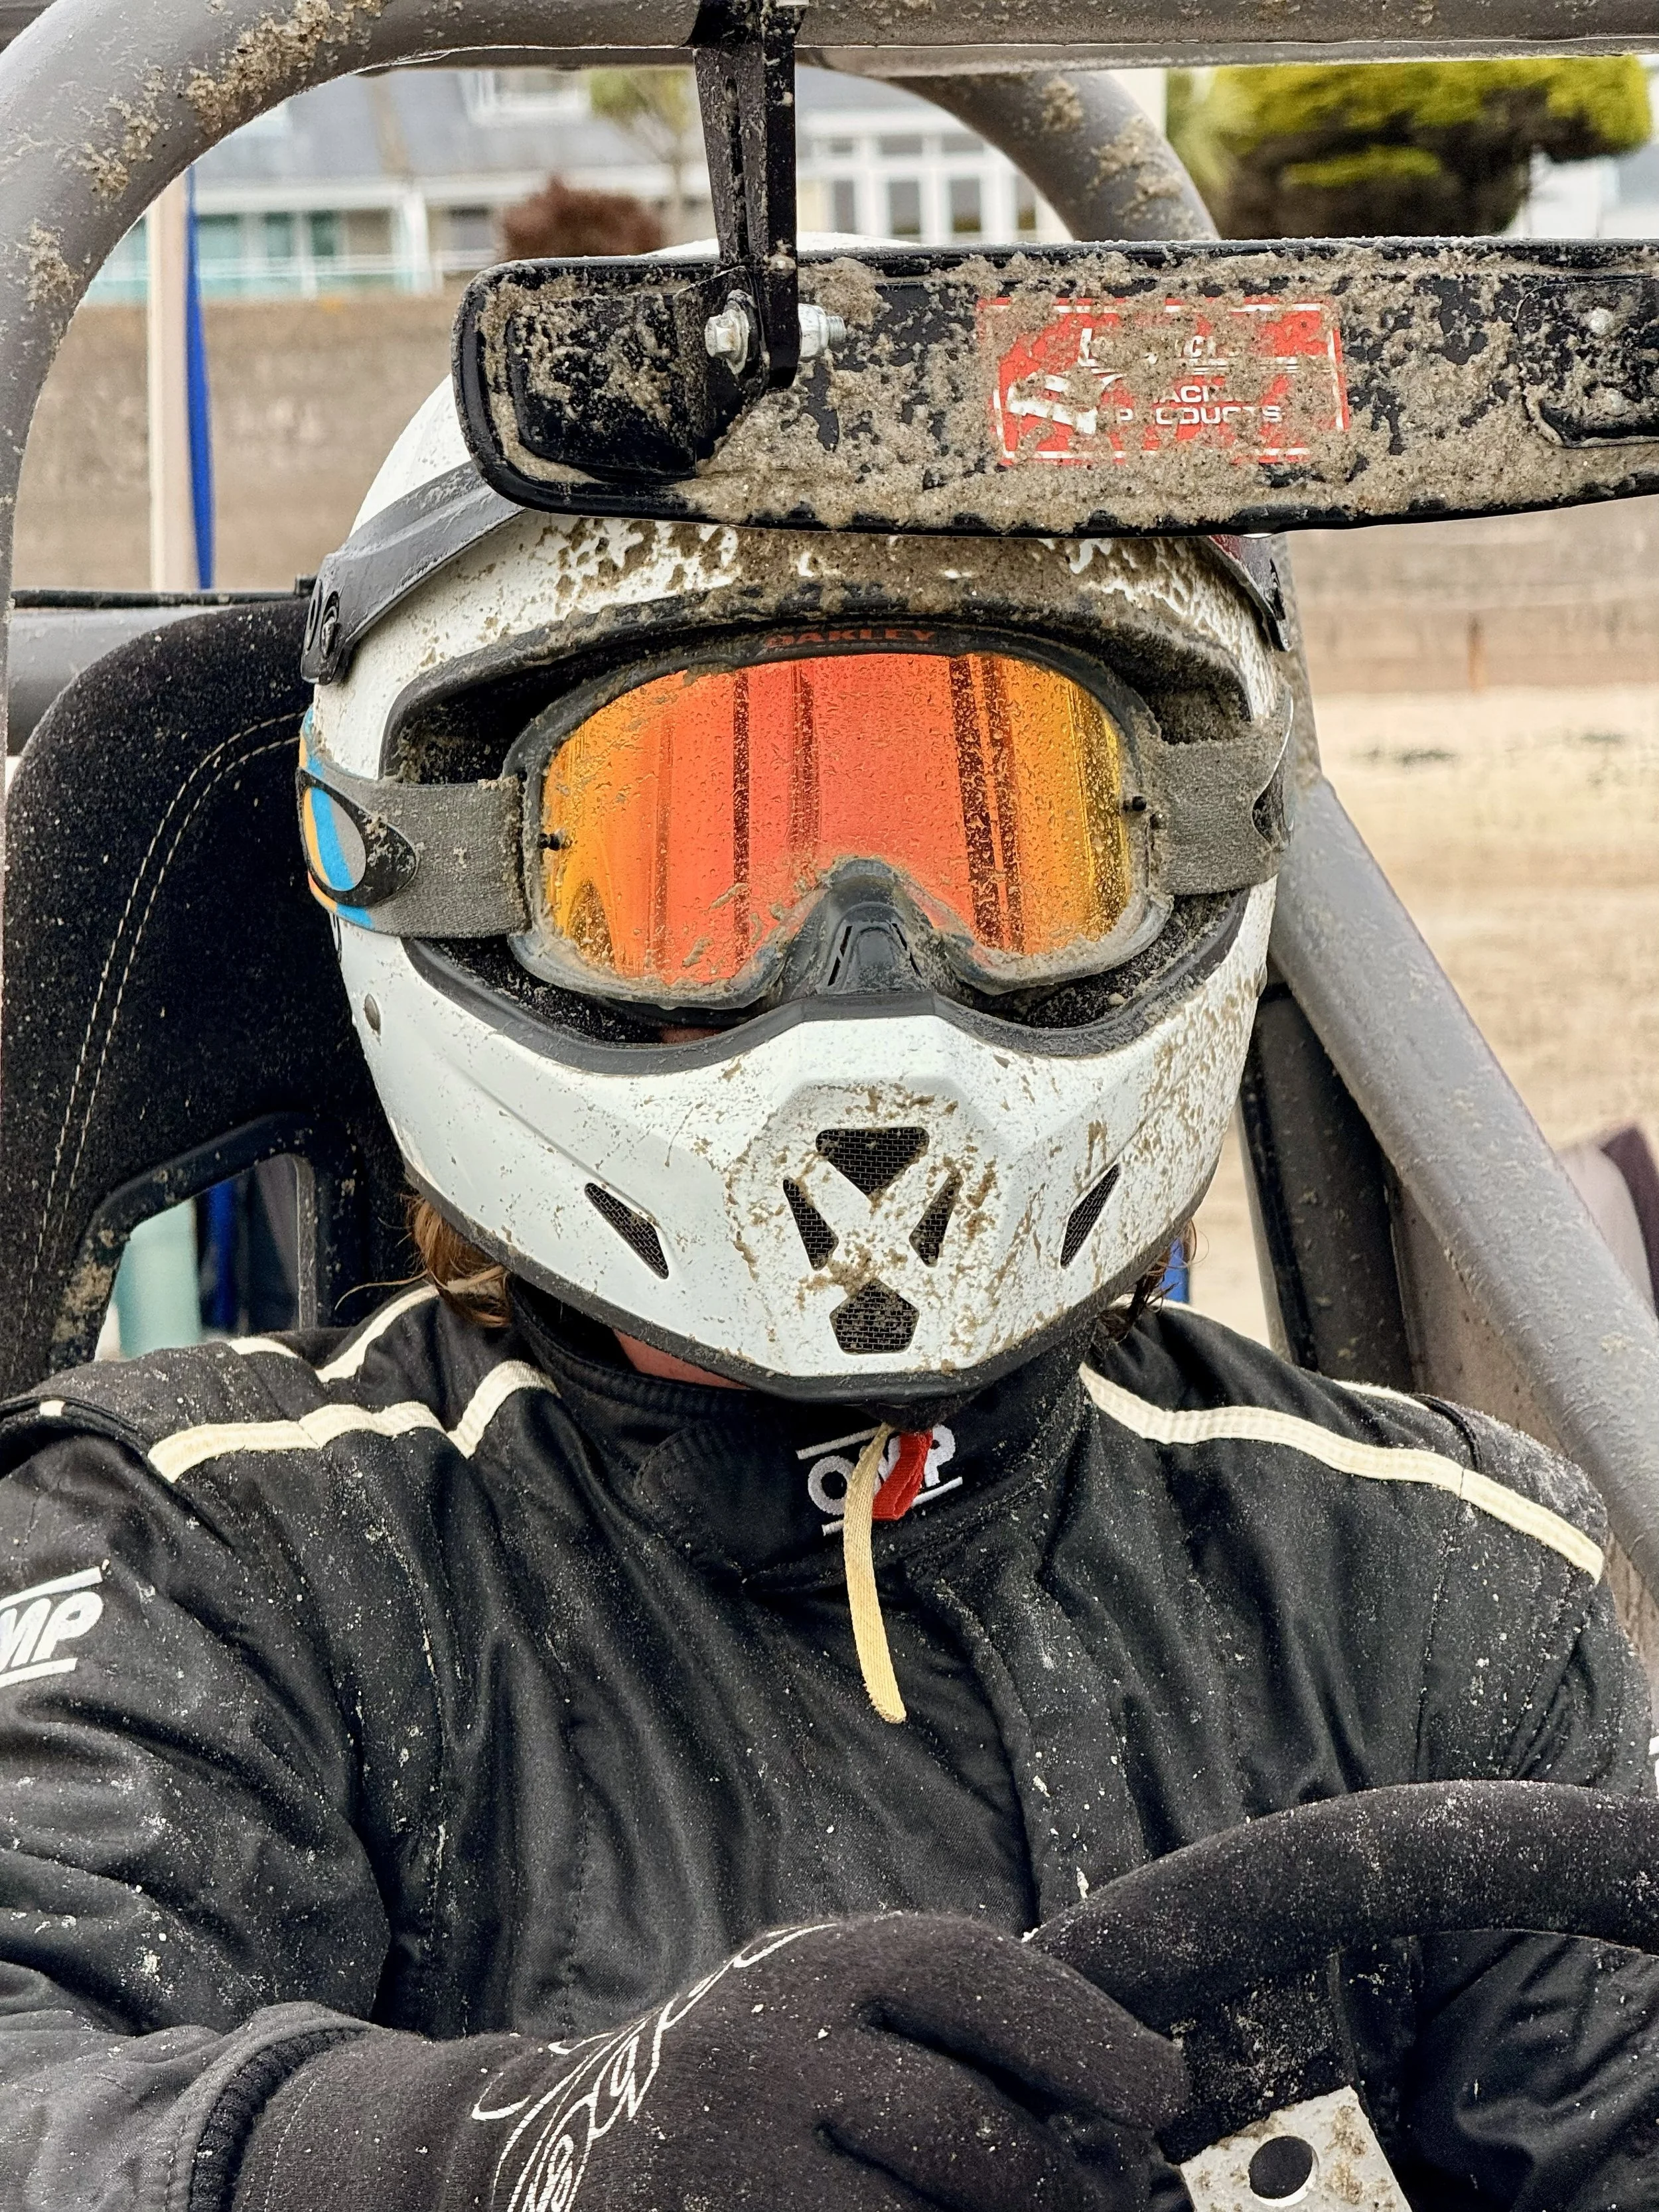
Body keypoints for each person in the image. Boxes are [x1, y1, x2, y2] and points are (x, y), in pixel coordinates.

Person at [1, 372, 1656, 2212]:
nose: (867, 976)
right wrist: (520, 2154)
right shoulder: (221, 1550)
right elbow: (34, 2090)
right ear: (443, 867)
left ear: (1191, 839)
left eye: (1001, 847)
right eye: (705, 870)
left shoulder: (1429, 1579)